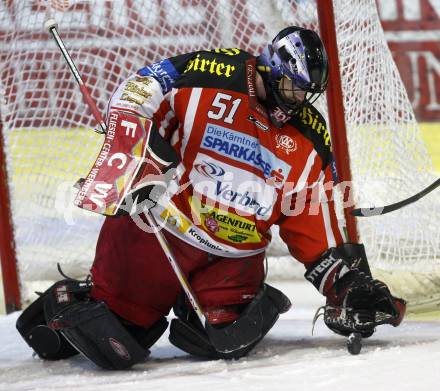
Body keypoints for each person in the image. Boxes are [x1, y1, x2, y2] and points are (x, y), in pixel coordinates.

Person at [16, 26, 406, 369]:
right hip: (161, 228)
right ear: (272, 68)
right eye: (292, 87)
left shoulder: (310, 135)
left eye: (306, 92)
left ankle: (195, 308)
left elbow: (311, 215)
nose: (298, 101)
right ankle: (70, 300)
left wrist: (347, 285)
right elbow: (142, 85)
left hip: (234, 256)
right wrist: (135, 143)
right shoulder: (216, 71)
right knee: (115, 343)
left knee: (230, 338)